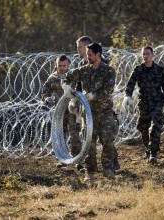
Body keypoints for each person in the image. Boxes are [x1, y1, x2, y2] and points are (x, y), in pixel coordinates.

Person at [63, 43, 119, 181]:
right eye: (87, 54)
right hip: (88, 115)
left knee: (108, 141)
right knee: (89, 144)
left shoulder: (108, 71)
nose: (87, 57)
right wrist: (66, 86)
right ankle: (90, 171)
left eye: (90, 55)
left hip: (105, 113)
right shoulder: (84, 70)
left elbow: (109, 90)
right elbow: (69, 75)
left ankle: (107, 169)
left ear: (98, 54)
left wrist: (94, 95)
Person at [123, 46, 164, 164]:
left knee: (157, 125)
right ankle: (148, 148)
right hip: (143, 103)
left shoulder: (160, 70)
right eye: (143, 54)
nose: (145, 56)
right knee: (143, 128)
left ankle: (153, 152)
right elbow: (130, 85)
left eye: (148, 54)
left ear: (153, 55)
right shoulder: (138, 69)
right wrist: (127, 96)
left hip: (157, 102)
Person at [76, 36, 120, 171]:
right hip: (88, 109)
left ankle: (112, 161)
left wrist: (94, 95)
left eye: (79, 47)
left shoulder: (103, 64)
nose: (78, 50)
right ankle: (89, 166)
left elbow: (107, 87)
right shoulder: (81, 65)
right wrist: (76, 101)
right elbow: (79, 85)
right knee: (88, 138)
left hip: (103, 107)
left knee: (106, 136)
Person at [41, 54, 83, 171]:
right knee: (61, 136)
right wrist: (46, 99)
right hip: (60, 112)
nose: (62, 67)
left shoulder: (73, 76)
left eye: (64, 65)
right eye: (60, 65)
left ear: (68, 65)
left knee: (75, 136)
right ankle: (63, 160)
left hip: (72, 110)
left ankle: (78, 161)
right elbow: (44, 92)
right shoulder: (52, 78)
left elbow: (80, 90)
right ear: (56, 65)